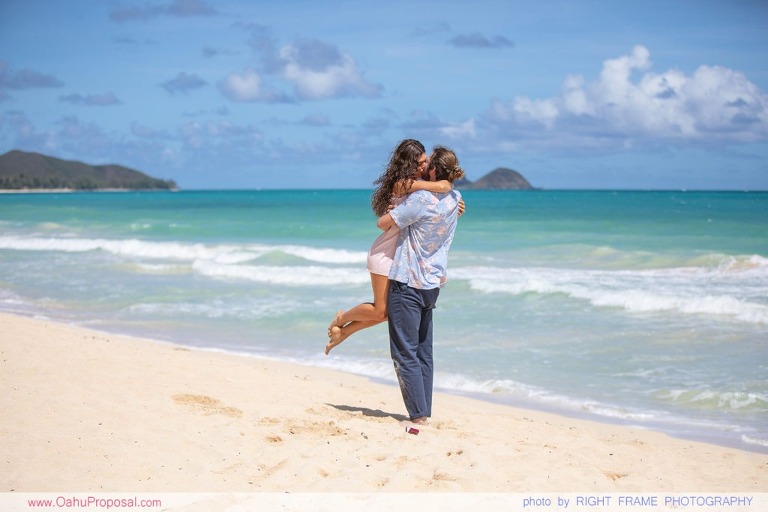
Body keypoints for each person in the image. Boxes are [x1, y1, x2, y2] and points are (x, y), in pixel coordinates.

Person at [325, 139, 462, 355]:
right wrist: (444, 187)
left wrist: (452, 204)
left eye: (425, 162)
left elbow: (433, 208)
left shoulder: (417, 188)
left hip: (402, 259)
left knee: (386, 313)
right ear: (408, 164)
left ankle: (344, 333)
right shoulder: (402, 183)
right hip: (385, 253)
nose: (423, 167)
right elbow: (431, 192)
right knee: (381, 312)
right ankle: (342, 318)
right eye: (420, 163)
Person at [377, 145, 464, 424]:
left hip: (408, 281)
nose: (423, 168)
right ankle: (424, 411)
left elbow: (383, 223)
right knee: (424, 351)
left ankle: (418, 418)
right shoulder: (455, 198)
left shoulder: (421, 199)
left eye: (427, 166)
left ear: (434, 170)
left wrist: (397, 207)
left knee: (405, 351)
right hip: (431, 284)